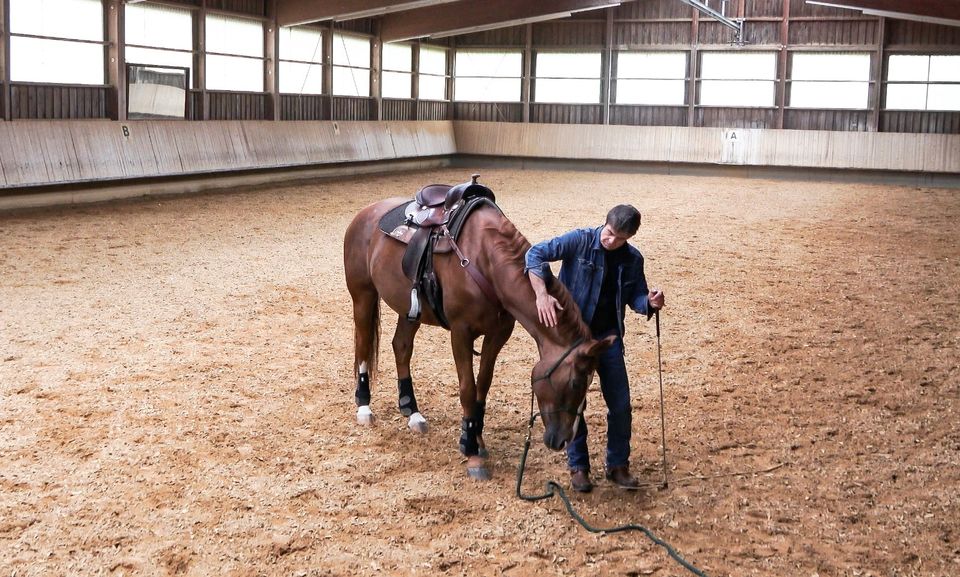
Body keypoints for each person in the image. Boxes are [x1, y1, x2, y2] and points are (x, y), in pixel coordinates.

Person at [525, 204, 665, 492]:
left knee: (621, 404)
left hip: (606, 341)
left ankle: (618, 465)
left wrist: (649, 303)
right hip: (573, 342)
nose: (611, 241)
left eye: (620, 238)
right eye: (610, 233)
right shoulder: (578, 240)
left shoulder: (632, 259)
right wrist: (541, 294)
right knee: (573, 403)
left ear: (630, 237)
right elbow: (534, 254)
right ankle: (578, 467)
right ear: (606, 223)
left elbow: (636, 296)